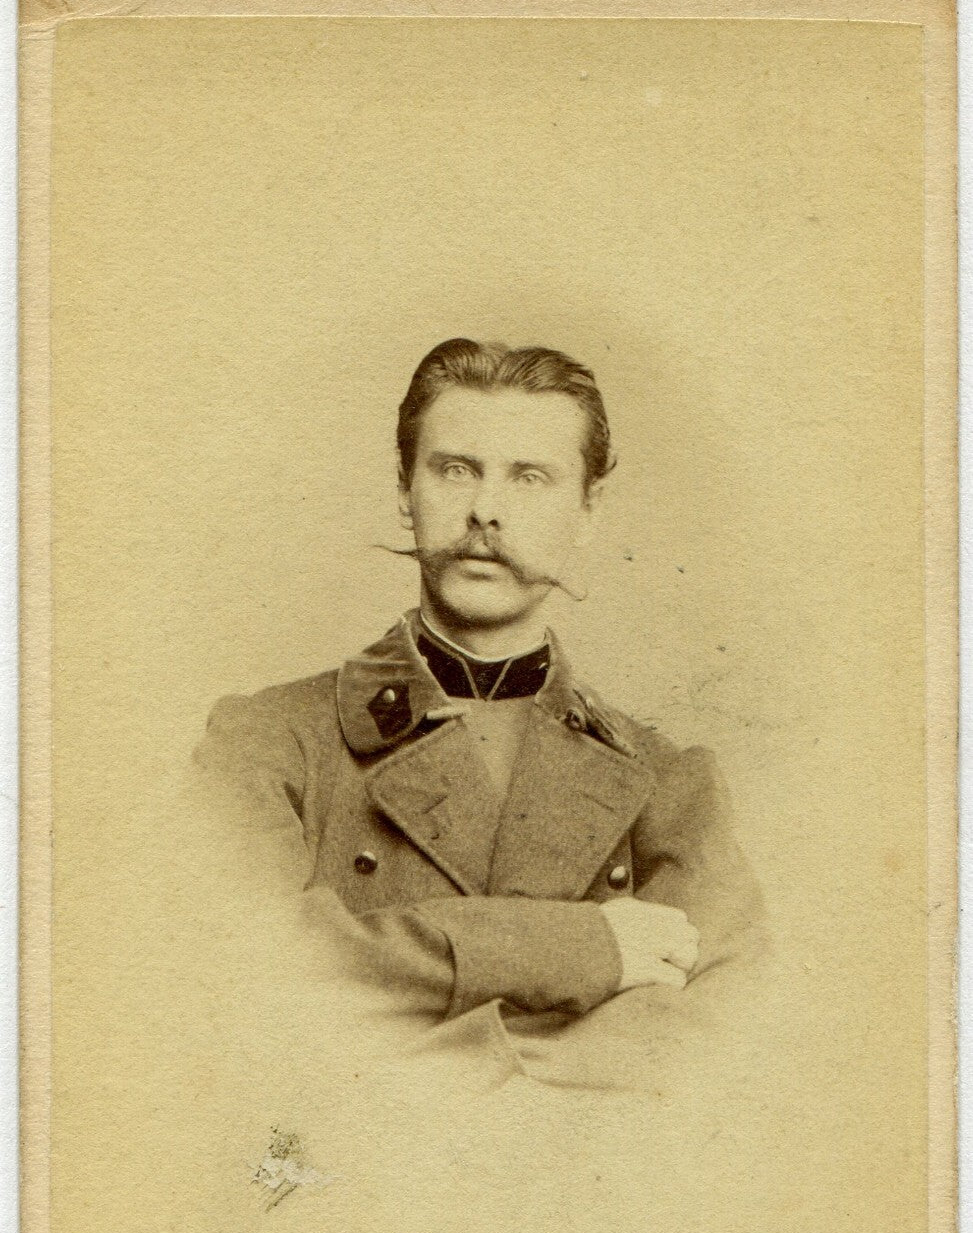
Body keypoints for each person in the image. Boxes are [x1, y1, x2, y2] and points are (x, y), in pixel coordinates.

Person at [194, 338, 765, 1077]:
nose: (484, 511)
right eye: (455, 469)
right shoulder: (266, 743)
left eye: (530, 477)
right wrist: (578, 949)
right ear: (405, 490)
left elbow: (724, 1044)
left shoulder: (671, 785)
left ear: (588, 509)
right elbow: (245, 977)